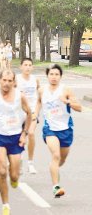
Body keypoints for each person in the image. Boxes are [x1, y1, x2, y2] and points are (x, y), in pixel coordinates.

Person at [0, 70, 32, 215]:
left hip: (15, 137)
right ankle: (6, 205)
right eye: (4, 80)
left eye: (10, 81)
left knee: (14, 176)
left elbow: (29, 114)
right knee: (2, 171)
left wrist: (24, 133)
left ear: (14, 82)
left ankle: (15, 176)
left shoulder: (20, 96)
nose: (7, 83)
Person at [34, 64, 82, 198]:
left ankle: (54, 168)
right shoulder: (42, 90)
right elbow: (38, 102)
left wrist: (67, 102)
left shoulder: (66, 90)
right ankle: (56, 186)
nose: (54, 77)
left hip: (66, 130)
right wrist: (35, 114)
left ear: (60, 76)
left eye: (56, 74)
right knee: (55, 155)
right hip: (50, 129)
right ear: (47, 75)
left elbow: (79, 108)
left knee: (61, 159)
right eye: (51, 74)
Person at [16, 58, 40, 174]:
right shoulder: (16, 79)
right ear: (21, 67)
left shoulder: (35, 80)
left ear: (32, 67)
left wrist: (36, 110)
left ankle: (30, 163)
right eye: (25, 65)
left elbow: (39, 97)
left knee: (30, 133)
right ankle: (18, 161)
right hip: (19, 112)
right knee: (20, 137)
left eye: (30, 65)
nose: (28, 67)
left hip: (32, 112)